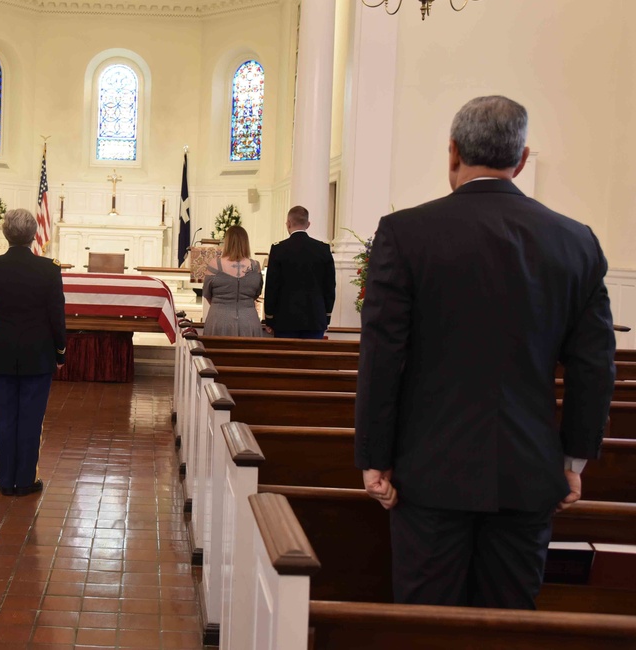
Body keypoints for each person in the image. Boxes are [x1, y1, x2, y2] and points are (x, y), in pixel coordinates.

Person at [354, 95, 616, 610]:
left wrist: (374, 460)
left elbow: (383, 356)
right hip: (528, 473)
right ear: (520, 160)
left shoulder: (406, 234)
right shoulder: (576, 242)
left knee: (428, 625)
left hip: (427, 471)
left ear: (452, 153)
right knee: (508, 625)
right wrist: (573, 461)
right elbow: (594, 366)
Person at [0, 208, 67, 497]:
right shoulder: (50, 269)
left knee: (4, 419)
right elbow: (56, 317)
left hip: (0, 352)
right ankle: (25, 480)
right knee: (31, 420)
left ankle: (4, 480)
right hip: (38, 354)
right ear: (34, 234)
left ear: (5, 233)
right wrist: (60, 353)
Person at [262, 206, 336, 339]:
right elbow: (329, 286)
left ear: (288, 223)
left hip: (285, 320)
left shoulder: (278, 249)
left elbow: (272, 286)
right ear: (308, 224)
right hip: (315, 318)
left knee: (286, 359)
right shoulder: (323, 249)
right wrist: (326, 316)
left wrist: (269, 318)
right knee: (311, 359)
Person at [202, 225, 263, 337]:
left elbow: (207, 293)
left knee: (217, 354)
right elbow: (256, 293)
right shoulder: (255, 266)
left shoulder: (214, 264)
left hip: (219, 320)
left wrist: (221, 304)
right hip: (248, 321)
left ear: (227, 241)